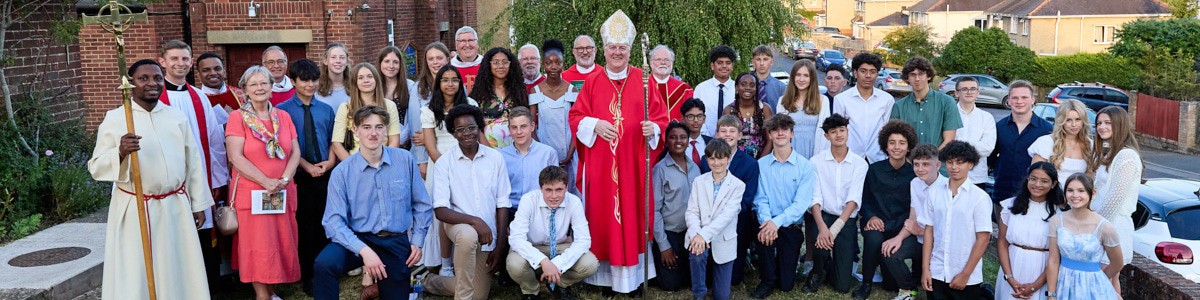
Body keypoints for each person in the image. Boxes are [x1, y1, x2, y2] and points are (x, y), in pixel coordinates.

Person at [88, 59, 213, 300]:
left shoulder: (175, 117)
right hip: (136, 207)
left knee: (179, 265)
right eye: (143, 78)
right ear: (130, 84)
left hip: (175, 206)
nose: (152, 83)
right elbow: (96, 167)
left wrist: (198, 204)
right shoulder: (116, 118)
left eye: (156, 78)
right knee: (138, 271)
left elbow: (193, 163)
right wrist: (121, 152)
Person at [568, 10, 669, 296]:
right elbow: (575, 117)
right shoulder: (592, 82)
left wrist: (654, 130)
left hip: (633, 164)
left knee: (634, 215)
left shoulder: (644, 80)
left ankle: (633, 280)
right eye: (612, 47)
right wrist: (594, 123)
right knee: (603, 218)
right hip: (601, 166)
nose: (616, 52)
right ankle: (604, 281)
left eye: (622, 48)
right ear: (605, 49)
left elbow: (661, 117)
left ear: (628, 50)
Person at [313, 105, 433, 299]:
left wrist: (417, 241)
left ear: (386, 129)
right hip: (357, 239)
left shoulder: (404, 160)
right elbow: (333, 221)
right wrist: (364, 251)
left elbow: (422, 205)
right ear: (356, 130)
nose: (373, 133)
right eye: (367, 127)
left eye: (379, 127)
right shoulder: (342, 172)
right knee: (325, 264)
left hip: (393, 240)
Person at [225, 66, 302, 299]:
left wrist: (284, 179)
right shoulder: (237, 118)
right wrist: (266, 181)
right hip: (253, 193)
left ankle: (273, 289)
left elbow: (295, 152)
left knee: (279, 240)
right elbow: (235, 157)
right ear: (245, 90)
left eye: (264, 83)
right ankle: (262, 295)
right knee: (258, 245)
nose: (259, 88)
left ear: (271, 86)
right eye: (253, 84)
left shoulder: (283, 117)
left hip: (281, 191)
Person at [156, 40, 229, 287]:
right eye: (174, 59)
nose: (180, 64)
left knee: (202, 233)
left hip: (200, 179)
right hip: (169, 182)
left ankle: (207, 285)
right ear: (162, 62)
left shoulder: (199, 97)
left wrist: (217, 180)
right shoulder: (154, 98)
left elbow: (214, 140)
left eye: (185, 59)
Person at [423, 104, 513, 300]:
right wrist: (476, 221)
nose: (467, 133)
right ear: (453, 133)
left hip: (488, 235)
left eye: (471, 127)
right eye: (460, 129)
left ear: (479, 127)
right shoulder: (445, 163)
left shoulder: (495, 158)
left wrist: (499, 246)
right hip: (458, 227)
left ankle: (430, 281)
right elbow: (440, 210)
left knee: (479, 295)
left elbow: (502, 203)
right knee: (469, 235)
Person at [274, 59, 335, 295]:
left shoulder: (326, 110)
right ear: (293, 81)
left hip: (324, 173)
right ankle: (307, 275)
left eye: (314, 80)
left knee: (324, 224)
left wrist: (329, 163)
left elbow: (333, 140)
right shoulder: (282, 112)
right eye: (305, 80)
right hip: (298, 176)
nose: (310, 85)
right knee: (305, 228)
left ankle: (324, 272)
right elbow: (283, 147)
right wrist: (306, 166)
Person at [418, 65, 480, 269]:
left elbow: (479, 136)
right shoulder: (428, 110)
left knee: (465, 209)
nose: (450, 84)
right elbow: (429, 144)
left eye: (455, 79)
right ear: (439, 83)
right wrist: (448, 167)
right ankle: (445, 263)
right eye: (445, 80)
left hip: (468, 160)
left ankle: (467, 257)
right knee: (444, 213)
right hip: (441, 163)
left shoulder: (470, 103)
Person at [506, 166, 599, 300]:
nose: (554, 196)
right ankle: (531, 291)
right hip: (533, 246)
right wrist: (544, 261)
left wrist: (557, 264)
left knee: (590, 263)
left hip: (560, 246)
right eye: (548, 190)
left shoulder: (574, 202)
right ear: (541, 188)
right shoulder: (528, 200)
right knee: (514, 263)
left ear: (566, 188)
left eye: (559, 190)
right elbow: (516, 238)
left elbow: (583, 240)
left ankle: (559, 283)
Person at [750, 114, 815, 299]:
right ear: (769, 135)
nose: (780, 134)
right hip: (766, 222)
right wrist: (768, 222)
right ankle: (767, 279)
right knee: (765, 240)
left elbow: (801, 204)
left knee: (786, 285)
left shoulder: (805, 166)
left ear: (792, 133)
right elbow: (760, 198)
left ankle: (783, 264)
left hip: (789, 225)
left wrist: (776, 223)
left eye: (784, 129)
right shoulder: (761, 165)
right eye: (775, 130)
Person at [854, 120, 918, 300]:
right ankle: (866, 283)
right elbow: (865, 199)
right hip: (876, 222)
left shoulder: (914, 174)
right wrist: (871, 217)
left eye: (902, 143)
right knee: (874, 239)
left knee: (890, 285)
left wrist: (896, 226)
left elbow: (914, 208)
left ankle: (897, 275)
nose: (896, 147)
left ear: (908, 147)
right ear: (885, 146)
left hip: (900, 226)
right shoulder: (874, 170)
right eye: (892, 143)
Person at [919, 141, 992, 299]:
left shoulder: (980, 198)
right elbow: (929, 231)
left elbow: (983, 238)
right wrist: (925, 268)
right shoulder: (934, 193)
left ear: (971, 164)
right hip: (937, 271)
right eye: (950, 162)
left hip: (966, 275)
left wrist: (965, 274)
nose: (954, 167)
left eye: (960, 162)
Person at [804, 113, 868, 294]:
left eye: (842, 130)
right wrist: (823, 228)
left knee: (842, 287)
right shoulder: (816, 161)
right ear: (826, 136)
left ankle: (827, 266)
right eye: (833, 132)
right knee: (820, 243)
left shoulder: (859, 164)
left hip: (845, 219)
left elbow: (854, 199)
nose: (839, 135)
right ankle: (817, 271)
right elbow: (814, 198)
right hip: (823, 216)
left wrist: (834, 230)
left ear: (848, 132)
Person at [699, 115, 761, 286]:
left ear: (740, 135)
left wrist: (725, 216)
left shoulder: (750, 164)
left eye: (732, 131)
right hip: (709, 220)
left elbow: (747, 199)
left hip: (736, 223)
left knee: (733, 279)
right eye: (723, 131)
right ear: (717, 134)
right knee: (707, 278)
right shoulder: (707, 161)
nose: (728, 134)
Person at [686, 139, 746, 300]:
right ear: (707, 160)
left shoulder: (738, 185)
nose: (716, 162)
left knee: (722, 296)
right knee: (697, 254)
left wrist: (704, 235)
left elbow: (727, 216)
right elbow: (691, 211)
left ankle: (717, 288)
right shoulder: (699, 181)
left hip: (723, 238)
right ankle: (699, 293)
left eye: (720, 158)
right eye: (712, 158)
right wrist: (696, 234)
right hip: (699, 236)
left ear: (728, 159)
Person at [1090, 106, 1142, 293]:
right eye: (1099, 123)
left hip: (1113, 226)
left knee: (1103, 283)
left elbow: (1115, 199)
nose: (1102, 127)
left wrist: (1092, 228)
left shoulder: (1126, 155)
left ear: (1120, 125)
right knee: (1110, 285)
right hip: (1102, 225)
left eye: (1108, 123)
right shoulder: (1109, 152)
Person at [1045, 174, 1122, 300]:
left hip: (1093, 289)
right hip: (1064, 285)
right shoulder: (1056, 221)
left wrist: (1098, 278)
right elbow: (1053, 260)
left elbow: (1117, 263)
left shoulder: (1105, 227)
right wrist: (1051, 294)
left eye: (1081, 191)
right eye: (1070, 190)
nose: (1075, 195)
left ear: (1092, 194)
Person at [996, 162, 1063, 300]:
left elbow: (1057, 255)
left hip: (1042, 270)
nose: (1037, 184)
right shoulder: (1010, 206)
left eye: (1044, 181)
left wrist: (1035, 286)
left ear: (1053, 184)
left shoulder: (1059, 213)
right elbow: (1002, 242)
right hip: (1012, 266)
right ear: (1027, 178)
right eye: (1033, 179)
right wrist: (1009, 277)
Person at [888, 143, 945, 300]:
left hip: (938, 245)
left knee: (934, 292)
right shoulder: (915, 183)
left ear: (938, 165)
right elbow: (912, 218)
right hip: (918, 239)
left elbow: (946, 229)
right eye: (917, 164)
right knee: (890, 251)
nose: (920, 169)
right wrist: (898, 238)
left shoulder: (946, 187)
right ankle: (908, 289)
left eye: (926, 164)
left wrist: (920, 231)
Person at [651, 121, 701, 291]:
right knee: (670, 285)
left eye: (683, 137)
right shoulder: (660, 170)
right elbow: (655, 210)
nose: (678, 141)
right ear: (666, 141)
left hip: (691, 232)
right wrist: (664, 246)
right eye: (673, 137)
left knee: (692, 279)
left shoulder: (695, 167)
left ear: (688, 140)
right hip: (670, 233)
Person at [529, 39, 579, 195]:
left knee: (569, 192)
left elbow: (576, 126)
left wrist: (569, 155)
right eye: (549, 62)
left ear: (563, 63)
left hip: (569, 153)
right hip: (545, 152)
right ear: (543, 64)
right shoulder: (535, 91)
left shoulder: (572, 91)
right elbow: (532, 127)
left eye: (558, 62)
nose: (553, 67)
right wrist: (543, 152)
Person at [991, 80, 1053, 202]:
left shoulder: (1047, 129)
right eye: (1015, 98)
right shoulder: (999, 127)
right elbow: (992, 158)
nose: (1019, 101)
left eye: (1024, 97)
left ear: (1032, 100)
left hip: (1034, 194)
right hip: (1002, 190)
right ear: (1008, 100)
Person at [330, 63, 403, 160]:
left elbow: (394, 140)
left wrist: (383, 163)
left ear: (376, 80)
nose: (366, 80)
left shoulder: (389, 106)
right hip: (355, 162)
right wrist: (352, 166)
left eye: (370, 76)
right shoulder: (346, 108)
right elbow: (336, 144)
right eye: (360, 77)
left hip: (383, 161)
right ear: (355, 82)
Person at [833, 52, 894, 163]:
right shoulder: (841, 99)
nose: (868, 76)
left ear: (877, 74)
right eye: (863, 71)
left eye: (872, 72)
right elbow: (838, 131)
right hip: (850, 159)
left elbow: (887, 130)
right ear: (855, 73)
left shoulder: (887, 100)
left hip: (878, 158)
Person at [890, 57, 961, 148]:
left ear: (929, 76)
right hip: (909, 161)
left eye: (921, 74)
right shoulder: (899, 106)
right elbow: (896, 140)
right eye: (912, 75)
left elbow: (949, 139)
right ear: (907, 78)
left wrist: (932, 160)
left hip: (938, 160)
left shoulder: (947, 102)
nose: (917, 79)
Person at [470, 47, 529, 148]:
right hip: (488, 150)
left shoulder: (519, 91)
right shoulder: (479, 93)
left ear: (511, 65)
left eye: (505, 62)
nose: (501, 66)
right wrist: (489, 154)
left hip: (517, 150)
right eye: (496, 62)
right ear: (489, 65)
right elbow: (475, 126)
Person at [501, 106, 558, 210]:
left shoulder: (548, 153)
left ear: (532, 127)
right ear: (509, 129)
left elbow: (555, 186)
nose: (519, 132)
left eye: (523, 126)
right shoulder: (501, 156)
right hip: (511, 209)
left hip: (539, 209)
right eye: (514, 127)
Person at [1030, 99, 1094, 188]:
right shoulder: (1045, 142)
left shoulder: (1090, 145)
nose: (1074, 124)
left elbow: (1090, 179)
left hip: (1077, 199)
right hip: (1049, 197)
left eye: (1078, 119)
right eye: (1068, 120)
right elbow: (1036, 178)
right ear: (1061, 121)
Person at [775, 59, 830, 159]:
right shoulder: (783, 101)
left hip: (815, 152)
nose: (801, 79)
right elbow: (780, 132)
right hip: (789, 153)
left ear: (812, 78)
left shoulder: (822, 100)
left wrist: (818, 159)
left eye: (806, 75)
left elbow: (824, 132)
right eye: (798, 75)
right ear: (792, 77)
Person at [413, 42, 454, 176]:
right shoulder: (418, 89)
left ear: (447, 59)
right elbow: (416, 131)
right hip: (428, 154)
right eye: (431, 59)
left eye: (439, 58)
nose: (435, 62)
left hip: (453, 148)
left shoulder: (457, 86)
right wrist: (421, 161)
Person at [952, 76, 997, 190]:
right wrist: (973, 147)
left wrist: (957, 145)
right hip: (950, 175)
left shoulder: (986, 117)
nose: (969, 92)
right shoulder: (948, 115)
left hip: (977, 178)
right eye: (964, 89)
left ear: (978, 92)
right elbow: (945, 144)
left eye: (973, 89)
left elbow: (987, 148)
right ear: (957, 93)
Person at [377, 46, 423, 148]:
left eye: (395, 62)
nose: (391, 66)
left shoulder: (410, 87)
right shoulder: (374, 87)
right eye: (387, 61)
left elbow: (414, 116)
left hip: (407, 142)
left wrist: (401, 138)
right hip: (381, 144)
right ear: (380, 63)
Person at [723, 72, 774, 158]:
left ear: (756, 88)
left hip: (761, 160)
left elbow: (771, 139)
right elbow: (724, 140)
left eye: (752, 85)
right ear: (736, 88)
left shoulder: (764, 109)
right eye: (743, 84)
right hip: (735, 160)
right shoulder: (729, 110)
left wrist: (760, 162)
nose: (748, 88)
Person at [694, 45, 737, 136]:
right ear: (712, 65)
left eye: (728, 63)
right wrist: (708, 138)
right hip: (706, 139)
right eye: (720, 63)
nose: (724, 66)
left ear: (732, 66)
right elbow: (697, 115)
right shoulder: (701, 89)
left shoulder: (738, 89)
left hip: (733, 140)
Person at [650, 45, 694, 122]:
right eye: (658, 59)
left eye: (667, 60)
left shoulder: (684, 89)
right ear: (651, 63)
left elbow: (690, 116)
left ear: (672, 63)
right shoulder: (641, 86)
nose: (662, 62)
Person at [316, 42, 352, 109]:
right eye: (333, 57)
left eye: (342, 57)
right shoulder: (316, 88)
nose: (338, 61)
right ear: (325, 61)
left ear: (347, 61)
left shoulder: (354, 86)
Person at [751, 45, 787, 110]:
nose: (762, 63)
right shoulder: (746, 86)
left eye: (765, 59)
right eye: (758, 59)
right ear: (753, 62)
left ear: (772, 62)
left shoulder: (781, 87)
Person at [680, 98, 713, 165]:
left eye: (699, 116)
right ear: (683, 119)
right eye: (691, 116)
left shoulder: (712, 143)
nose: (696, 120)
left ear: (704, 119)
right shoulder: (676, 144)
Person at [451, 26, 483, 92]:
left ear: (477, 44)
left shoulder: (486, 64)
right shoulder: (449, 67)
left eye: (471, 40)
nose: (467, 45)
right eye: (463, 41)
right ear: (456, 46)